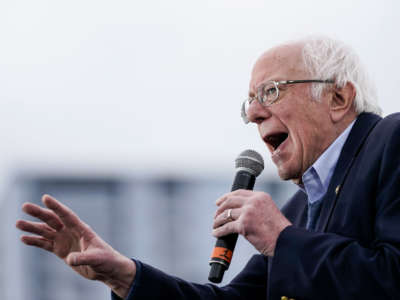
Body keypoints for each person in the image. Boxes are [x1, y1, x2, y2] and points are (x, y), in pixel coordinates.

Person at [16, 36, 400, 300]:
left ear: (338, 97)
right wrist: (123, 275)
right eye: (248, 101)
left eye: (270, 91)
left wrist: (280, 239)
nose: (252, 113)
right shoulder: (299, 211)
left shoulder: (392, 140)